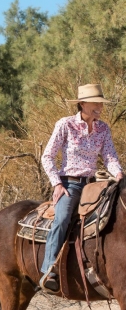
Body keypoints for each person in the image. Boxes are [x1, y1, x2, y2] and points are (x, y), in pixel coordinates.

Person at [40, 83, 123, 294]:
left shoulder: (103, 128)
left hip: (94, 183)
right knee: (63, 217)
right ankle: (49, 269)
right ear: (82, 104)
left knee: (114, 213)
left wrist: (120, 174)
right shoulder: (65, 125)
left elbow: (109, 156)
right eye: (95, 103)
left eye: (101, 103)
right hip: (70, 183)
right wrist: (57, 184)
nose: (99, 107)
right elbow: (47, 156)